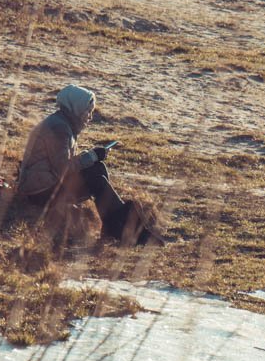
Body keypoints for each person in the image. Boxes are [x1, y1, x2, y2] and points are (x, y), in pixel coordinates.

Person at [17, 85, 159, 244]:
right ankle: (125, 228)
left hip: (46, 185)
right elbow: (62, 168)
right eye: (87, 111)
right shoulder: (59, 128)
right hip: (40, 192)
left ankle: (114, 225)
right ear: (75, 108)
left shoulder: (62, 123)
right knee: (94, 176)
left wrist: (92, 157)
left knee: (97, 168)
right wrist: (91, 156)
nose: (90, 116)